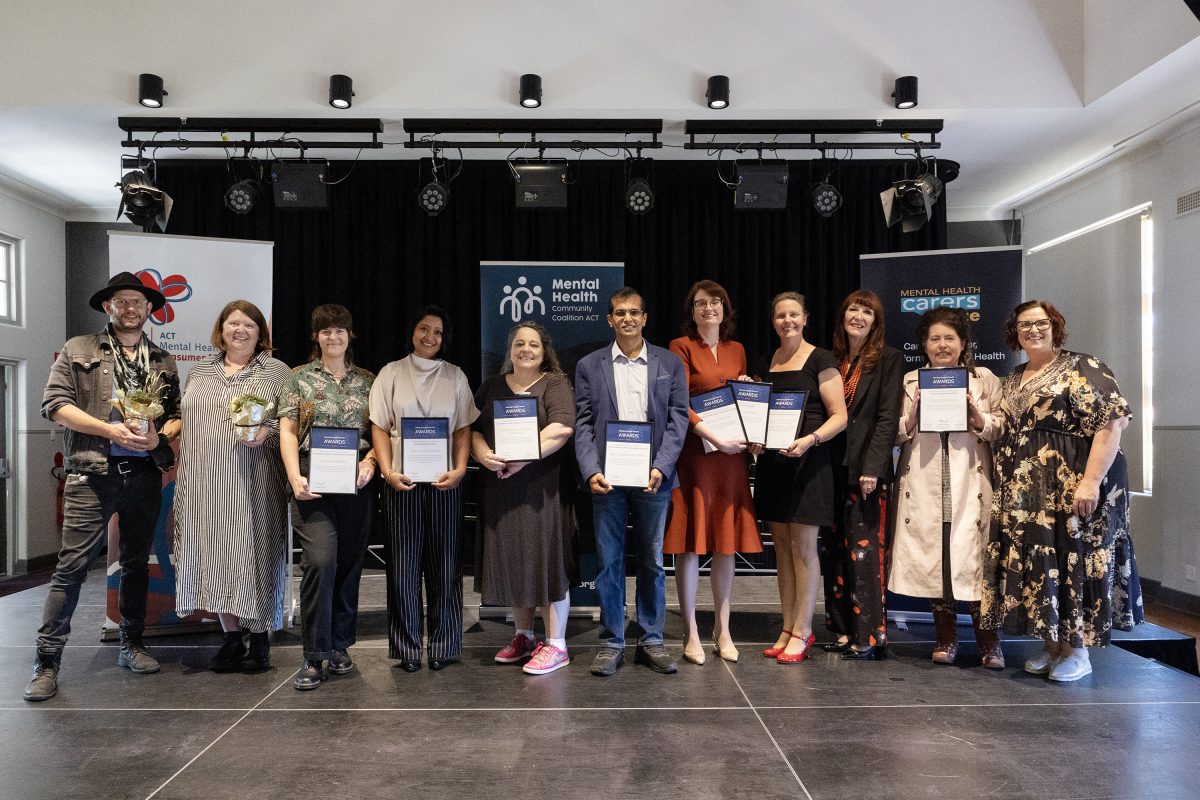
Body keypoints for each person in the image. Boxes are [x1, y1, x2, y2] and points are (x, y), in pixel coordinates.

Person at [24, 273, 181, 702]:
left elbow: (175, 414)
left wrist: (159, 438)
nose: (130, 309)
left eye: (138, 302)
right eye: (122, 302)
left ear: (149, 309)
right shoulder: (79, 349)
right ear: (107, 307)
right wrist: (110, 432)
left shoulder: (163, 359)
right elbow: (55, 406)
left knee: (135, 564)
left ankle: (131, 644)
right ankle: (47, 662)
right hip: (92, 473)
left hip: (145, 475)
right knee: (71, 568)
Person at [981, 300, 1143, 682]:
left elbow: (1112, 423)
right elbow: (1006, 427)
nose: (1032, 330)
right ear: (1014, 333)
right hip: (1028, 497)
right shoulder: (1015, 375)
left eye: (1039, 323)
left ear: (1054, 326)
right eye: (1024, 325)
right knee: (1044, 566)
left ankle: (1078, 650)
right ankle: (1053, 645)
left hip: (1072, 487)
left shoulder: (1083, 367)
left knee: (1075, 560)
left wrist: (1089, 482)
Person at [574, 287, 689, 676]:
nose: (627, 318)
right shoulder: (590, 365)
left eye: (634, 313)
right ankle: (611, 641)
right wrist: (591, 469)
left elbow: (678, 420)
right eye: (620, 313)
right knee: (608, 563)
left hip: (654, 477)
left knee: (653, 562)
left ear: (645, 318)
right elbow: (583, 422)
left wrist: (662, 465)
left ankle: (651, 639)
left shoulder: (669, 363)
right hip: (607, 478)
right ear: (610, 320)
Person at [173, 300, 291, 673]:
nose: (240, 331)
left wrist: (267, 433)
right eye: (232, 323)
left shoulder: (276, 372)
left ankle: (259, 638)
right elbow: (183, 417)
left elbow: (293, 426)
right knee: (213, 557)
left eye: (249, 326)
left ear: (261, 333)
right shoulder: (198, 373)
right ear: (220, 329)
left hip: (255, 482)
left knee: (255, 556)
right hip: (202, 484)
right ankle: (230, 637)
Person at [891, 307, 1005, 668]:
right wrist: (909, 419)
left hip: (968, 482)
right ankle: (946, 638)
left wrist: (979, 419)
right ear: (924, 345)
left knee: (974, 559)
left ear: (963, 343)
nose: (942, 345)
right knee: (937, 560)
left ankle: (989, 642)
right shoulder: (910, 381)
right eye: (934, 339)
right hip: (924, 483)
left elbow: (1002, 427)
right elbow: (890, 432)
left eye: (949, 338)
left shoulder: (984, 380)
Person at [369, 306, 478, 672]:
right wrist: (386, 471)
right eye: (423, 329)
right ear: (412, 331)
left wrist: (461, 469)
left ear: (445, 338)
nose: (430, 337)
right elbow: (380, 427)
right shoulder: (390, 373)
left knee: (446, 564)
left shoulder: (455, 376)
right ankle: (408, 649)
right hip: (402, 482)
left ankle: (445, 644)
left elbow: (463, 428)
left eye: (437, 332)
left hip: (446, 481)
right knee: (402, 567)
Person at [278, 304, 378, 690]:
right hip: (310, 479)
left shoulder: (370, 381)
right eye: (325, 331)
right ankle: (313, 655)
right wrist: (293, 475)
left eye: (339, 331)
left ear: (350, 335)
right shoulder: (298, 378)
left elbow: (381, 433)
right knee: (321, 561)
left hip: (356, 479)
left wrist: (370, 461)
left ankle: (339, 646)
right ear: (316, 337)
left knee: (350, 563)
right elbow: (287, 431)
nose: (332, 337)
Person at [663, 280, 759, 665]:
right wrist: (713, 437)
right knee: (691, 544)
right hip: (696, 456)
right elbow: (679, 402)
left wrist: (750, 403)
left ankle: (723, 629)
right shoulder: (680, 347)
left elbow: (741, 400)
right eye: (701, 303)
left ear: (725, 309)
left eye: (716, 301)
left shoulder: (738, 350)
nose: (709, 308)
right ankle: (690, 632)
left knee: (725, 542)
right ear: (692, 310)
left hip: (731, 458)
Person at [471, 321, 576, 675]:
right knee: (516, 561)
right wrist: (483, 454)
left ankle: (557, 644)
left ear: (544, 351)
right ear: (510, 350)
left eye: (533, 344)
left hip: (542, 490)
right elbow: (470, 431)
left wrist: (522, 458)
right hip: (502, 487)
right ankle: (524, 635)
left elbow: (561, 428)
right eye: (519, 344)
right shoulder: (491, 387)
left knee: (547, 562)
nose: (526, 350)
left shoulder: (555, 384)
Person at [750, 292, 848, 664]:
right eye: (780, 316)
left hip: (809, 462)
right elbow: (758, 413)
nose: (787, 321)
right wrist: (756, 440)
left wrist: (810, 440)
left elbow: (839, 416)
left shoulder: (822, 358)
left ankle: (805, 630)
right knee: (783, 550)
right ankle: (788, 626)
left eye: (793, 314)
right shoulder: (766, 361)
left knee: (805, 549)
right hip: (775, 464)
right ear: (773, 321)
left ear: (805, 318)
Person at [820, 290, 902, 661]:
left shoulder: (888, 360)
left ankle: (868, 634)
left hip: (865, 472)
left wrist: (872, 468)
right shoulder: (831, 360)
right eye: (853, 308)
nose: (859, 316)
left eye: (867, 312)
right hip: (830, 467)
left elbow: (886, 420)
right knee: (835, 552)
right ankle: (841, 628)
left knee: (864, 554)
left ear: (876, 321)